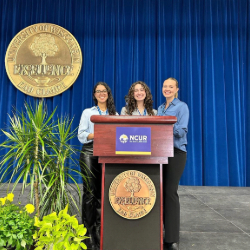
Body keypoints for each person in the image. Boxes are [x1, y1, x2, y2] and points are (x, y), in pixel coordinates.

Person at [78, 82, 117, 250]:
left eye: (104, 91)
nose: (102, 93)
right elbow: (81, 135)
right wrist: (98, 133)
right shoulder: (88, 112)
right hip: (90, 153)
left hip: (107, 153)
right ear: (94, 95)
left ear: (108, 93)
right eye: (98, 91)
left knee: (104, 193)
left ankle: (100, 231)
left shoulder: (114, 113)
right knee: (90, 193)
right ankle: (87, 232)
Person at [157, 77, 189, 250]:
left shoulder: (182, 107)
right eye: (165, 86)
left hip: (176, 153)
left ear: (177, 89)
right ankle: (160, 232)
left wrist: (164, 125)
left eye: (170, 87)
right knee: (161, 194)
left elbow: (181, 131)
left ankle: (172, 238)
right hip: (160, 153)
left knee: (170, 192)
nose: (167, 89)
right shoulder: (161, 108)